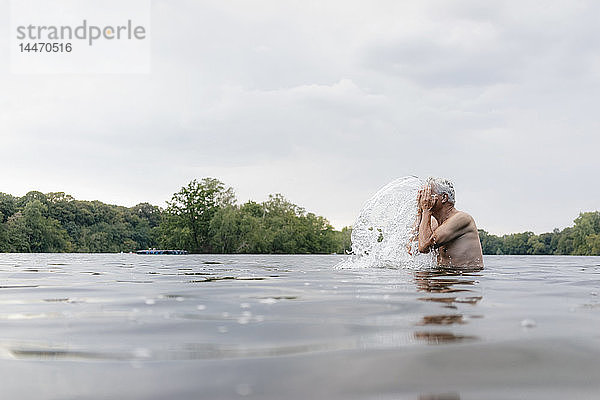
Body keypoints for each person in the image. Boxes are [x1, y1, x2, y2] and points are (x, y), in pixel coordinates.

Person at [414, 177, 483, 269]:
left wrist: (426, 210)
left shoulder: (462, 219)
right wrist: (420, 212)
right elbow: (412, 250)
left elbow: (423, 247)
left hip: (461, 277)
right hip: (443, 275)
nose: (425, 199)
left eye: (428, 194)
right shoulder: (433, 223)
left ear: (443, 198)